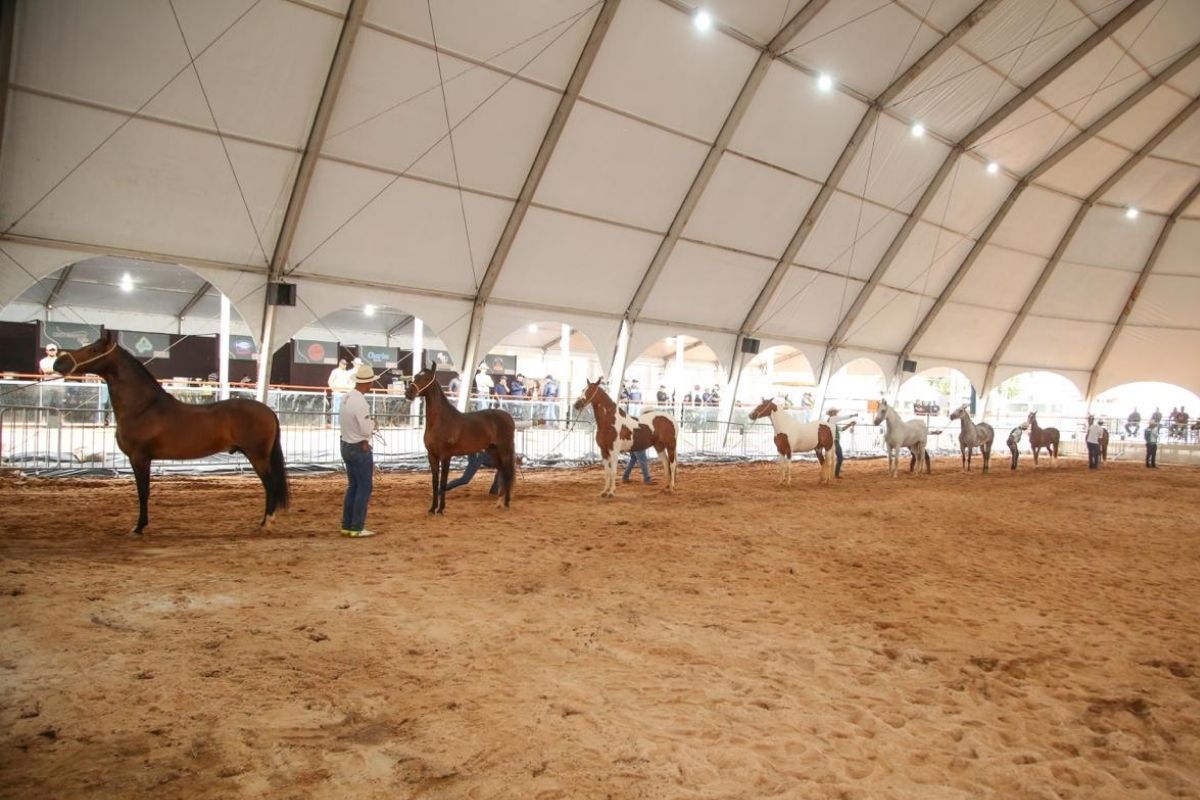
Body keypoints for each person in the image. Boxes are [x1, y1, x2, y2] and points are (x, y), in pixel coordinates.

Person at [339, 362, 379, 538]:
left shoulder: (346, 397)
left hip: (346, 444)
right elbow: (365, 430)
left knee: (353, 487)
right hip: (358, 447)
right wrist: (373, 425)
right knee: (364, 487)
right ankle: (357, 527)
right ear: (367, 383)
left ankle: (347, 525)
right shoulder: (361, 402)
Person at [826, 407, 857, 478]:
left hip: (832, 441)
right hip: (834, 441)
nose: (836, 413)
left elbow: (842, 429)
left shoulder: (831, 422)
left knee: (833, 458)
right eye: (834, 412)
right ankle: (836, 474)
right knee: (840, 457)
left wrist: (850, 424)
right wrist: (853, 415)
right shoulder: (832, 419)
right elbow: (843, 418)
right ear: (831, 413)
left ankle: (833, 472)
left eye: (836, 412)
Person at [327, 358, 355, 427]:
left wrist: (350, 389)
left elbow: (351, 382)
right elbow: (330, 381)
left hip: (346, 393)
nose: (344, 365)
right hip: (337, 393)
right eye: (343, 364)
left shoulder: (347, 373)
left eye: (345, 364)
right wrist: (334, 389)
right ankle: (336, 424)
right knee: (336, 409)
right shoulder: (335, 371)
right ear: (340, 364)